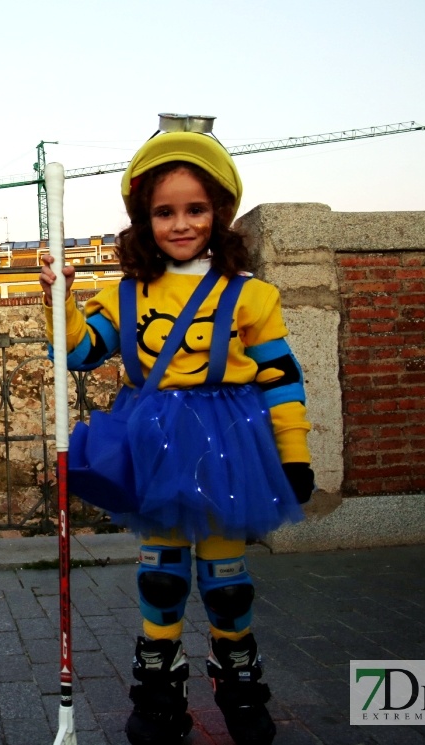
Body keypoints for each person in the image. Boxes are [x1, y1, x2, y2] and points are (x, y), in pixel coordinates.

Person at [40, 130, 314, 745]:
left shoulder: (252, 295)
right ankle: (159, 692)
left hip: (229, 447)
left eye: (196, 209)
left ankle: (238, 681)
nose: (182, 223)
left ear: (220, 212)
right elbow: (79, 353)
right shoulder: (127, 294)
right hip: (157, 447)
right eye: (165, 211)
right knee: (161, 574)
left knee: (227, 577)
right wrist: (57, 300)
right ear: (145, 219)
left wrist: (294, 455)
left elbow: (281, 379)